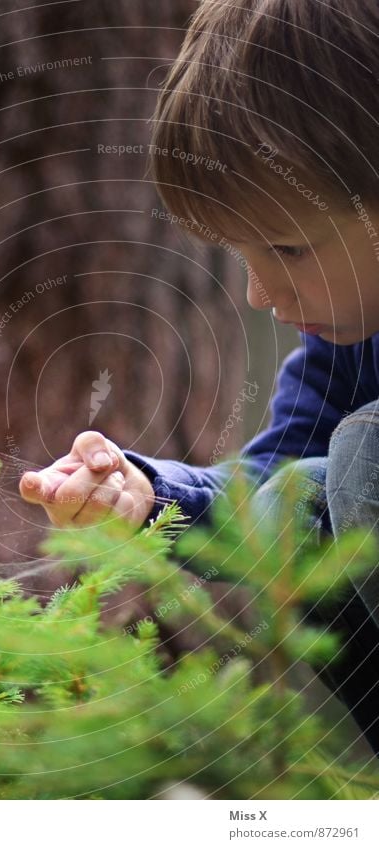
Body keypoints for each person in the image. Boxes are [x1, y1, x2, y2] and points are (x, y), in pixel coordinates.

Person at [20, 0, 379, 755]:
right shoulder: (347, 342)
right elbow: (265, 498)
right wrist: (150, 502)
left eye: (285, 248)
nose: (260, 296)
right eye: (239, 255)